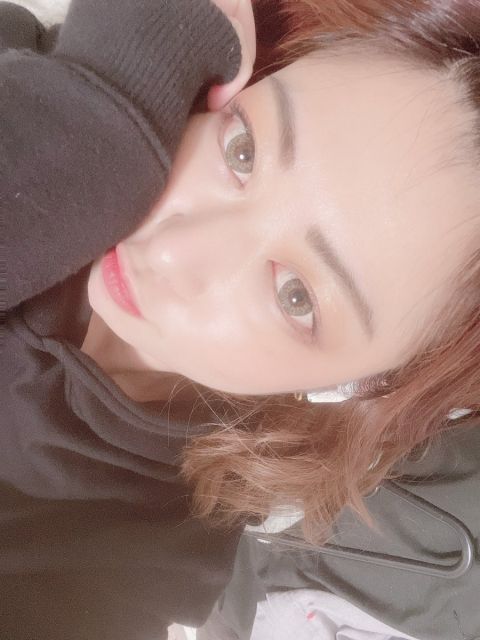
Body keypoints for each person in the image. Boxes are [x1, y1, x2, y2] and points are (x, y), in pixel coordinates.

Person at [2, 0, 480, 637]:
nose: (171, 251)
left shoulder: (137, 552)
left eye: (295, 296)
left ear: (353, 386)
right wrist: (107, 99)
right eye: (242, 150)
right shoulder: (29, 68)